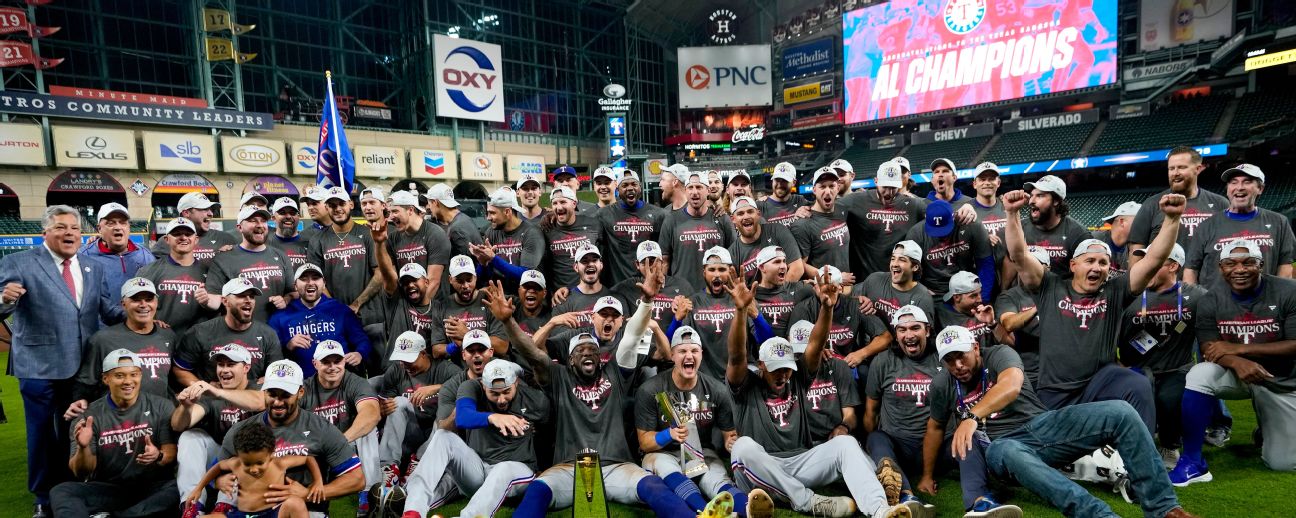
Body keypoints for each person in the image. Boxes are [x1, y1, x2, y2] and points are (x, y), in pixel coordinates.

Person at [931, 327, 1200, 518]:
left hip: (1041, 426)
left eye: (961, 356)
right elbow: (935, 427)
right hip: (1001, 447)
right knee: (1009, 450)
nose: (957, 365)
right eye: (949, 360)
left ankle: (1165, 510)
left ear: (976, 348)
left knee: (1121, 412)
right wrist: (925, 475)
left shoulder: (998, 353)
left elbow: (1011, 385)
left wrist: (970, 416)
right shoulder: (943, 383)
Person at [503, 260, 698, 517]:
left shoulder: (616, 371)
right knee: (537, 491)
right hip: (571, 468)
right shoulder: (559, 377)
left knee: (653, 485)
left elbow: (630, 338)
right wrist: (507, 322)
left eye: (592, 351)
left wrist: (647, 302)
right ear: (569, 358)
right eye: (580, 351)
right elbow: (531, 352)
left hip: (616, 466)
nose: (588, 354)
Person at [725, 273, 909, 518]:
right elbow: (736, 356)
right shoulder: (745, 384)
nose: (782, 375)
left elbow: (815, 345)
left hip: (801, 461)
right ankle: (808, 501)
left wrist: (826, 307)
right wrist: (740, 312)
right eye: (775, 369)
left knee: (845, 443)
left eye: (787, 369)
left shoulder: (798, 377)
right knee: (742, 447)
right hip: (762, 467)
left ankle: (879, 509)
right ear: (760, 366)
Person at [1003, 189, 1186, 433]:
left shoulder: (1115, 290)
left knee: (1137, 383)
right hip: (1055, 390)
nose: (1097, 267)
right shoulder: (1050, 286)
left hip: (1100, 383)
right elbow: (1018, 254)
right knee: (1058, 453)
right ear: (1073, 264)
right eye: (1090, 261)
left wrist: (1172, 220)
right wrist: (1012, 213)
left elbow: (1154, 260)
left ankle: (1139, 455)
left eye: (1103, 263)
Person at [0, 205, 125, 518]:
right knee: (42, 435)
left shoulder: (92, 266)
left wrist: (140, 313)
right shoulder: (18, 261)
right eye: (61, 227)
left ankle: (76, 487)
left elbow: (107, 311)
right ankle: (43, 497)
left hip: (82, 367)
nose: (69, 233)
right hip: (39, 366)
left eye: (74, 228)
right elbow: (1, 305)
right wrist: (4, 299)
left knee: (80, 431)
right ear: (45, 232)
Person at [1171, 238, 1296, 484]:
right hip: (1240, 375)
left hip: (1284, 381)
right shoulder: (1211, 300)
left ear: (1261, 265)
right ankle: (1193, 461)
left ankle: (1267, 430)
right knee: (1200, 374)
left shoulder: (1288, 291)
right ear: (1221, 268)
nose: (1239, 270)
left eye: (1248, 262)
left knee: (1283, 463)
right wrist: (1238, 363)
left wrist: (1238, 349)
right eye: (1230, 263)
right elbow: (1209, 348)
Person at [635, 326, 774, 518]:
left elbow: (729, 433)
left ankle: (748, 509)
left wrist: (730, 441)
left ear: (702, 354)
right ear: (672, 355)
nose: (689, 356)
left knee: (716, 478)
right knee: (666, 467)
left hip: (701, 452)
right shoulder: (650, 389)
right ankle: (705, 511)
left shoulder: (717, 390)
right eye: (682, 351)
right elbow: (644, 442)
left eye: (694, 350)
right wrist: (670, 434)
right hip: (663, 452)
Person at [401, 358, 550, 518]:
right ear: (483, 385)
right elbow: (463, 417)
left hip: (518, 472)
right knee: (443, 436)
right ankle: (413, 511)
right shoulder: (471, 387)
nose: (501, 399)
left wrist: (546, 468)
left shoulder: (536, 400)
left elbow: (549, 435)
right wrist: (493, 417)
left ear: (516, 383)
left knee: (503, 468)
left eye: (506, 391)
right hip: (479, 471)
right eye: (494, 393)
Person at [215, 360, 366, 515]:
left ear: (300, 393)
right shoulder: (240, 430)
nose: (278, 402)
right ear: (263, 392)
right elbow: (220, 474)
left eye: (286, 395)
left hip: (307, 510)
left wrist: (307, 494)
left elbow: (356, 479)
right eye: (272, 394)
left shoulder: (321, 428)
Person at [51, 349, 178, 518]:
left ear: (141, 375)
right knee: (62, 491)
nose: (128, 381)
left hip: (152, 487)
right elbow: (80, 472)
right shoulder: (87, 416)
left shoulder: (162, 406)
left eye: (134, 374)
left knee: (179, 488)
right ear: (106, 379)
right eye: (119, 376)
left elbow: (170, 452)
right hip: (110, 489)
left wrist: (158, 455)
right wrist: (83, 448)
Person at [1118, 244, 1204, 468]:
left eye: (1155, 263)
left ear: (1173, 266)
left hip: (1177, 368)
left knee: (1170, 398)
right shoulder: (1129, 297)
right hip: (1136, 368)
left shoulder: (1195, 297)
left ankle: (1170, 445)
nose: (1146, 268)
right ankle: (1135, 444)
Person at [863, 306, 944, 516]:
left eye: (915, 328)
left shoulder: (943, 360)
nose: (909, 335)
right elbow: (871, 411)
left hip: (938, 445)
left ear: (927, 330)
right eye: (902, 330)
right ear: (896, 335)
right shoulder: (882, 361)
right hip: (898, 446)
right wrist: (874, 450)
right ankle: (907, 497)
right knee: (875, 438)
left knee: (970, 439)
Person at [172, 344, 265, 515]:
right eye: (221, 365)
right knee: (190, 436)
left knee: (248, 445)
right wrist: (185, 407)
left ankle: (225, 505)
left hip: (248, 460)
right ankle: (191, 505)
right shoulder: (211, 395)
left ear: (246, 367)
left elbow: (260, 402)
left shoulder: (259, 388)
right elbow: (178, 425)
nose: (224, 370)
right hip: (218, 458)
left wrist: (218, 392)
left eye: (231, 365)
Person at [371, 331, 463, 501]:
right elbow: (386, 405)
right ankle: (390, 469)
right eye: (402, 359)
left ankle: (419, 464)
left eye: (410, 360)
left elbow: (468, 386)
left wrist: (437, 387)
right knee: (398, 402)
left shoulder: (445, 368)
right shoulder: (396, 371)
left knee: (448, 415)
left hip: (437, 437)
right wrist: (383, 409)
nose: (405, 364)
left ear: (423, 353)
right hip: (409, 435)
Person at [68, 278, 176, 419]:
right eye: (136, 300)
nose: (144, 305)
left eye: (149, 299)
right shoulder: (103, 339)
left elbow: (172, 377)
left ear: (156, 302)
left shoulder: (168, 335)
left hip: (159, 416)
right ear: (123, 304)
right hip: (117, 419)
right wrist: (80, 399)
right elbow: (85, 381)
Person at [301, 341, 382, 513]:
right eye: (326, 362)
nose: (332, 367)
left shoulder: (356, 382)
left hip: (348, 445)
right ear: (315, 363)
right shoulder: (304, 389)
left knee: (368, 431)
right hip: (316, 451)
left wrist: (339, 442)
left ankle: (369, 494)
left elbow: (371, 413)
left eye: (337, 361)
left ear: (344, 361)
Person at [1184, 164, 1295, 288]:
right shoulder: (1206, 225)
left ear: (1260, 188)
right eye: (1233, 182)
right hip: (1217, 304)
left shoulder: (1279, 222)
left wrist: (1278, 299)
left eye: (1247, 182)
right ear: (1227, 189)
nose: (1239, 187)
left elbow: (1285, 265)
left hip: (1263, 302)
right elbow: (1191, 269)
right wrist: (1194, 302)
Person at [185, 422, 323, 518]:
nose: (254, 469)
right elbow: (219, 466)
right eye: (248, 464)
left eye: (259, 463)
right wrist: (198, 488)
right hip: (241, 514)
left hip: (273, 513)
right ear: (239, 456)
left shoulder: (279, 463)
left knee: (296, 503)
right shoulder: (236, 464)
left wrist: (318, 481)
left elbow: (308, 458)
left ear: (271, 453)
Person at [308, 186, 387, 348]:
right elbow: (316, 280)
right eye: (332, 205)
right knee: (345, 367)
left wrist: (357, 304)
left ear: (350, 204)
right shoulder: (317, 240)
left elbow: (380, 274)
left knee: (380, 368)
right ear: (326, 208)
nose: (337, 209)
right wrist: (337, 308)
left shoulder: (367, 233)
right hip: (336, 318)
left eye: (341, 204)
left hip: (371, 316)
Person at [174, 278, 285, 387]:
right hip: (213, 402)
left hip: (252, 400)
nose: (248, 300)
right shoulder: (200, 332)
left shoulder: (268, 334)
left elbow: (278, 371)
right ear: (225, 301)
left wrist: (271, 379)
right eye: (241, 296)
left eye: (252, 296)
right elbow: (180, 370)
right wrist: (201, 386)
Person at [1127, 146, 1229, 264]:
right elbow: (1136, 249)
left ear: (1198, 169)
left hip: (1208, 280)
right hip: (1164, 281)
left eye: (1181, 167)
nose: (1175, 173)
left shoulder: (1220, 203)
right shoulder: (1151, 205)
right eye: (1171, 168)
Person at [268, 263, 372, 377]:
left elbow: (363, 341)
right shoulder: (280, 317)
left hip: (339, 380)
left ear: (324, 284)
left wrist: (360, 353)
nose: (310, 283)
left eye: (315, 278)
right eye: (303, 279)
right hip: (300, 383)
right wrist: (288, 345)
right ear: (295, 286)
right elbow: (270, 354)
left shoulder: (341, 311)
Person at [206, 205, 297, 323]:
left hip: (277, 329)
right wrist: (204, 300)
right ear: (239, 227)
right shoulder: (224, 258)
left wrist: (285, 299)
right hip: (241, 332)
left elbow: (292, 292)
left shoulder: (281, 256)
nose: (259, 225)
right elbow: (215, 298)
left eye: (263, 221)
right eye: (252, 221)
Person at [839, 161, 926, 277]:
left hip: (899, 279)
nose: (888, 193)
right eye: (884, 187)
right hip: (865, 280)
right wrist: (806, 208)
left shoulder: (912, 204)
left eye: (893, 188)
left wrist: (959, 209)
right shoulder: (856, 200)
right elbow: (824, 209)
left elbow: (941, 212)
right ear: (876, 181)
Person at [137, 217, 212, 336]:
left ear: (196, 239)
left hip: (199, 341)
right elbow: (134, 304)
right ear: (166, 239)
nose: (183, 237)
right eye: (176, 234)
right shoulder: (149, 271)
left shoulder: (211, 271)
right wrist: (147, 320)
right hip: (160, 339)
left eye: (188, 234)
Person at [905, 199, 994, 300]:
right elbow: (908, 270)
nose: (941, 234)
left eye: (944, 228)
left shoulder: (971, 224)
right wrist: (919, 289)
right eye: (936, 230)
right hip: (934, 292)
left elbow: (986, 264)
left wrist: (983, 298)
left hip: (968, 289)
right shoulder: (916, 234)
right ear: (925, 218)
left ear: (953, 216)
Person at [660, 172, 734, 290]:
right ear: (685, 191)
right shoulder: (671, 220)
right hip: (682, 292)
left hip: (715, 292)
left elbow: (733, 256)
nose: (695, 192)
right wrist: (663, 290)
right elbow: (665, 260)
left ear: (708, 191)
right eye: (690, 187)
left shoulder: (721, 218)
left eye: (699, 187)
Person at [429, 255, 509, 359]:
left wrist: (467, 335)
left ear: (475, 277)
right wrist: (455, 346)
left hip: (489, 367)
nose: (466, 286)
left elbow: (502, 347)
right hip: (458, 370)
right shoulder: (442, 307)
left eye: (469, 280)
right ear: (450, 279)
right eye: (460, 281)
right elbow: (436, 351)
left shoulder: (489, 301)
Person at [993, 246, 1050, 387]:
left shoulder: (1060, 291)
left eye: (1033, 265)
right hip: (1029, 371)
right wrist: (1037, 307)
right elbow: (1009, 323)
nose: (1027, 270)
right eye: (1022, 265)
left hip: (1059, 367)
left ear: (1047, 269)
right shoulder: (1009, 296)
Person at [597, 170, 666, 285]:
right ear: (617, 190)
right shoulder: (604, 214)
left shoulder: (658, 214)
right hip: (617, 284)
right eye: (624, 185)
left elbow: (665, 251)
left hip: (650, 282)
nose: (630, 188)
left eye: (634, 184)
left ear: (640, 187)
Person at [612, 240, 693, 333]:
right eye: (644, 262)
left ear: (662, 262)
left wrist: (683, 304)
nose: (650, 267)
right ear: (637, 265)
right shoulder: (628, 287)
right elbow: (604, 295)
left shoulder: (682, 285)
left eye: (654, 261)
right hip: (640, 344)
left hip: (672, 343)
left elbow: (692, 313)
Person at [1019, 175, 1091, 277]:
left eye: (1040, 196)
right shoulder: (1020, 228)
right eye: (1031, 195)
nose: (1031, 201)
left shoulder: (1077, 233)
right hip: (1027, 290)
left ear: (1056, 201)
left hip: (1062, 290)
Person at [385, 189, 450, 300]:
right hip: (406, 306)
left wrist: (419, 312)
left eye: (395, 211)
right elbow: (392, 280)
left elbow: (433, 282)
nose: (390, 217)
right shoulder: (392, 238)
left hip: (434, 307)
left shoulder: (435, 234)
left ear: (410, 210)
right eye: (389, 212)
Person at [80, 202, 154, 298]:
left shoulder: (145, 256)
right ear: (99, 229)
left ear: (129, 227)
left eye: (123, 223)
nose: (118, 227)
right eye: (111, 223)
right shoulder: (83, 256)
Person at [791, 167, 852, 282]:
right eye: (822, 186)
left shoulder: (842, 210)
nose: (828, 191)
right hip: (823, 291)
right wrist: (834, 278)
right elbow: (799, 265)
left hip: (846, 288)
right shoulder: (802, 224)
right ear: (814, 190)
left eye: (831, 186)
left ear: (838, 188)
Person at [480, 187, 545, 292]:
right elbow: (486, 277)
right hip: (500, 297)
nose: (488, 217)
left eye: (492, 213)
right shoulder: (491, 232)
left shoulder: (532, 233)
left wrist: (493, 258)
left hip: (525, 298)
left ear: (507, 212)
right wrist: (483, 263)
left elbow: (526, 275)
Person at [858, 240, 936, 327]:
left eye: (902, 260)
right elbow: (852, 306)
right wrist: (859, 300)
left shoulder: (922, 299)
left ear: (915, 267)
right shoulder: (874, 280)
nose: (895, 264)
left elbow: (924, 335)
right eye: (893, 258)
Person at [729, 196, 804, 283]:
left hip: (785, 293)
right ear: (733, 219)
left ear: (758, 214)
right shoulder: (732, 253)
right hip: (754, 296)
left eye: (750, 211)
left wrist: (778, 295)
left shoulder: (777, 230)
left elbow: (797, 269)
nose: (746, 216)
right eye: (740, 214)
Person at [151, 191, 238, 262]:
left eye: (211, 209)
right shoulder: (166, 242)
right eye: (204, 209)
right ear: (186, 213)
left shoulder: (226, 239)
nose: (210, 213)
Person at [750, 245, 816, 339]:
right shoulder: (751, 296)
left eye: (784, 261)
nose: (783, 266)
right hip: (762, 350)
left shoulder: (801, 289)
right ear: (762, 267)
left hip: (795, 350)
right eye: (777, 262)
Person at [543, 186, 601, 289]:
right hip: (560, 295)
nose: (559, 207)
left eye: (563, 202)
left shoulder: (593, 223)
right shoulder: (547, 228)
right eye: (555, 203)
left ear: (574, 204)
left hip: (591, 291)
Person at [935, 271, 1003, 349]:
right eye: (973, 296)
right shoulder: (942, 318)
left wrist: (992, 324)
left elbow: (1011, 343)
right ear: (957, 297)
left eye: (980, 293)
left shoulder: (987, 309)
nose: (980, 299)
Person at [424, 183, 484, 269]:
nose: (428, 207)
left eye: (429, 203)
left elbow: (463, 268)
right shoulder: (464, 219)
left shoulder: (457, 229)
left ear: (435, 202)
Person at [551, 243, 611, 328]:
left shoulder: (614, 298)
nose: (590, 264)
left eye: (594, 260)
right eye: (584, 261)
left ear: (601, 265)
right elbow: (557, 336)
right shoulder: (562, 301)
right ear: (576, 267)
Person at [969, 162, 1008, 277]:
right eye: (982, 179)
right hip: (978, 273)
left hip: (1008, 270)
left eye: (991, 179)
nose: (987, 183)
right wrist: (981, 241)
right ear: (974, 184)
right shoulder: (967, 210)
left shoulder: (1008, 206)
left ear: (998, 183)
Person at [1093, 201, 1140, 277]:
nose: (1143, 226)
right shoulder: (1094, 240)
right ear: (1122, 222)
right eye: (1139, 221)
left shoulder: (1135, 248)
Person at [757, 161, 809, 227]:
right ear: (772, 180)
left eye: (784, 180)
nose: (779, 184)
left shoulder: (800, 200)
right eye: (777, 179)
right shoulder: (760, 206)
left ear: (794, 182)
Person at [269, 196, 310, 270]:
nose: (288, 216)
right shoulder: (266, 245)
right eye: (282, 213)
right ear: (273, 218)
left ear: (298, 217)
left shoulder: (310, 244)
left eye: (292, 213)